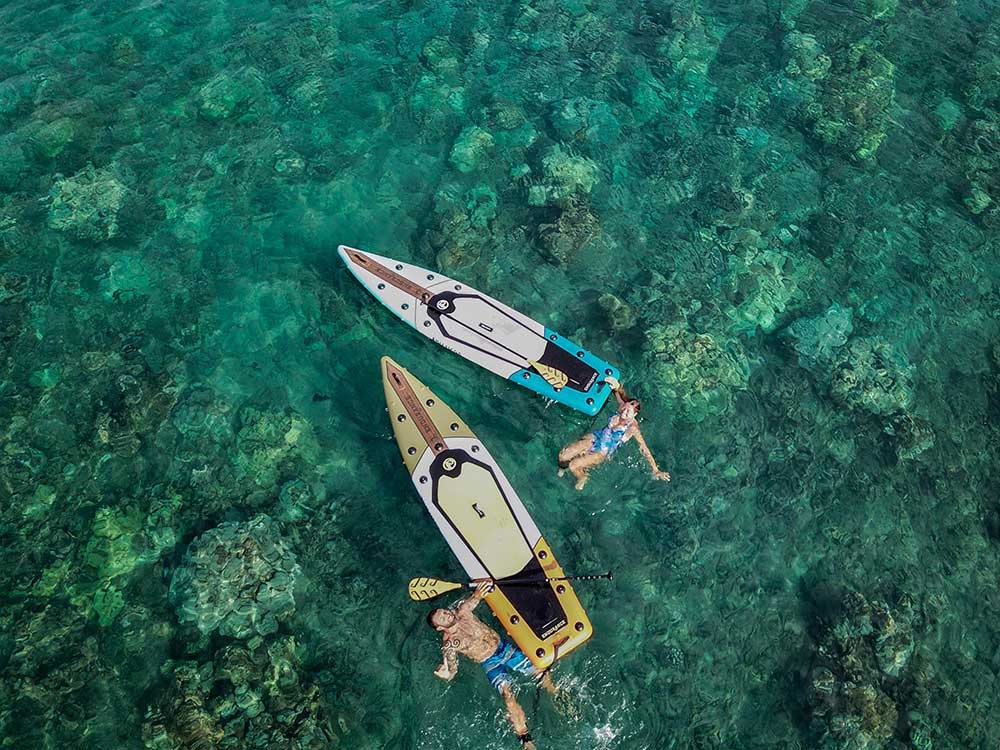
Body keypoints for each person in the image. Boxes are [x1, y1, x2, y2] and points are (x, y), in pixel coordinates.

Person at [428, 581, 565, 748]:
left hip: (504, 649)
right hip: (489, 663)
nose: (446, 614)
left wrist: (484, 585)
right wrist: (445, 674)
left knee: (539, 671)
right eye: (442, 617)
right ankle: (525, 738)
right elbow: (452, 672)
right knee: (508, 695)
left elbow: (478, 594)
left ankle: (557, 695)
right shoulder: (449, 644)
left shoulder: (463, 611)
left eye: (444, 611)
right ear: (439, 628)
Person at [557, 376, 670, 490]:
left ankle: (582, 477)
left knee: (573, 465)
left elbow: (644, 448)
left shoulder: (632, 428)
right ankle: (563, 468)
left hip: (602, 451)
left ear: (634, 415)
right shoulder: (622, 408)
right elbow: (618, 392)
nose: (624, 412)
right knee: (563, 456)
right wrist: (617, 386)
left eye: (628, 412)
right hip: (595, 437)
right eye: (624, 408)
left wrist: (656, 470)